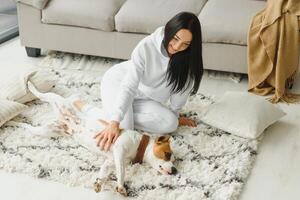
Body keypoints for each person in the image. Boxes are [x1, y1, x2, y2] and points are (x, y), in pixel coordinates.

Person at [94, 12, 204, 151]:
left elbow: (180, 91)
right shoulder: (147, 46)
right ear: (169, 30)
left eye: (185, 44)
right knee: (126, 133)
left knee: (171, 124)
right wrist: (115, 121)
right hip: (118, 83)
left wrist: (175, 116)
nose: (176, 47)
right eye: (175, 39)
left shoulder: (187, 60)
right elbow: (129, 86)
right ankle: (112, 113)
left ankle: (118, 111)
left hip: (144, 98)